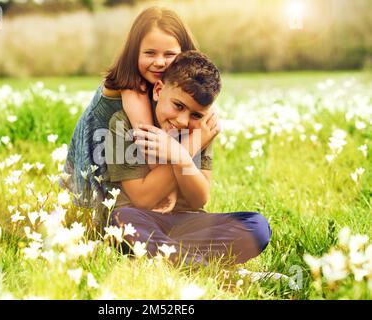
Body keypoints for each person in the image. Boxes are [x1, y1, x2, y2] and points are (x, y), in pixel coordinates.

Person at [104, 50, 271, 265]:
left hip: (188, 222)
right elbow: (143, 199)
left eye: (196, 114)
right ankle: (199, 264)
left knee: (256, 226)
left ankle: (176, 257)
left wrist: (181, 157)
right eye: (178, 106)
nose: (183, 121)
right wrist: (186, 149)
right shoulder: (123, 124)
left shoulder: (201, 130)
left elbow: (199, 199)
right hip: (143, 219)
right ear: (158, 90)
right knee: (120, 220)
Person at [62, 7, 197, 223]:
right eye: (150, 53)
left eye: (170, 54)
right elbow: (148, 140)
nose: (160, 62)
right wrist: (168, 189)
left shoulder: (172, 83)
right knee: (107, 220)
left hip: (130, 152)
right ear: (134, 52)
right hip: (104, 155)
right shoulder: (133, 85)